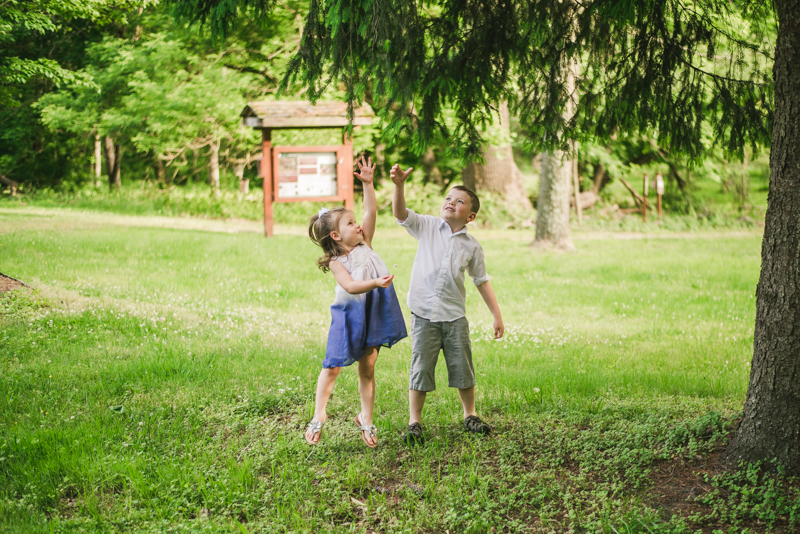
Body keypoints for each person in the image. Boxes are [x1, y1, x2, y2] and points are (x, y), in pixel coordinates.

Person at [390, 164, 504, 444]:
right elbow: (400, 214)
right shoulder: (427, 226)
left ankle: (470, 415)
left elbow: (481, 280)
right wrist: (399, 186)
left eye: (460, 201)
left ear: (471, 215)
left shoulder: (472, 246)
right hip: (424, 315)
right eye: (448, 198)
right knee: (421, 369)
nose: (451, 202)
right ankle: (414, 422)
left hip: (454, 317)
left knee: (463, 367)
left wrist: (497, 316)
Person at [304, 156, 407, 448]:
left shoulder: (366, 243)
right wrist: (375, 282)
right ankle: (319, 415)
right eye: (351, 223)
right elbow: (349, 287)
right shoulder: (338, 262)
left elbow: (371, 210)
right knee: (332, 366)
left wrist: (368, 184)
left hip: (373, 315)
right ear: (336, 235)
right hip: (348, 318)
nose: (358, 225)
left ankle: (366, 418)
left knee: (368, 368)